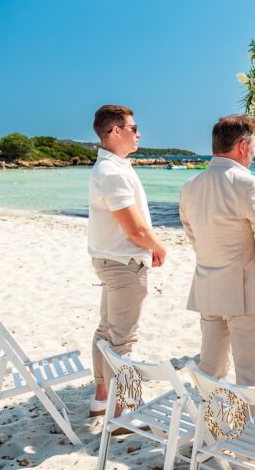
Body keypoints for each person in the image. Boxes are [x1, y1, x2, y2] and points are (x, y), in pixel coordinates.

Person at [179, 115, 255, 386]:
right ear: (243, 146)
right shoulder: (250, 184)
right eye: (253, 146)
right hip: (245, 290)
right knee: (251, 375)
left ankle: (212, 426)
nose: (254, 154)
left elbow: (193, 236)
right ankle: (249, 428)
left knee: (211, 369)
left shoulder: (190, 186)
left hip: (207, 285)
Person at [87, 104, 166, 417]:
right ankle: (122, 411)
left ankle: (102, 397)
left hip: (110, 260)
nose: (139, 133)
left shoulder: (112, 166)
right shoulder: (110, 172)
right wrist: (160, 247)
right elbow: (135, 229)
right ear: (115, 131)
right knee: (122, 340)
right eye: (133, 128)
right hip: (123, 264)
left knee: (106, 331)